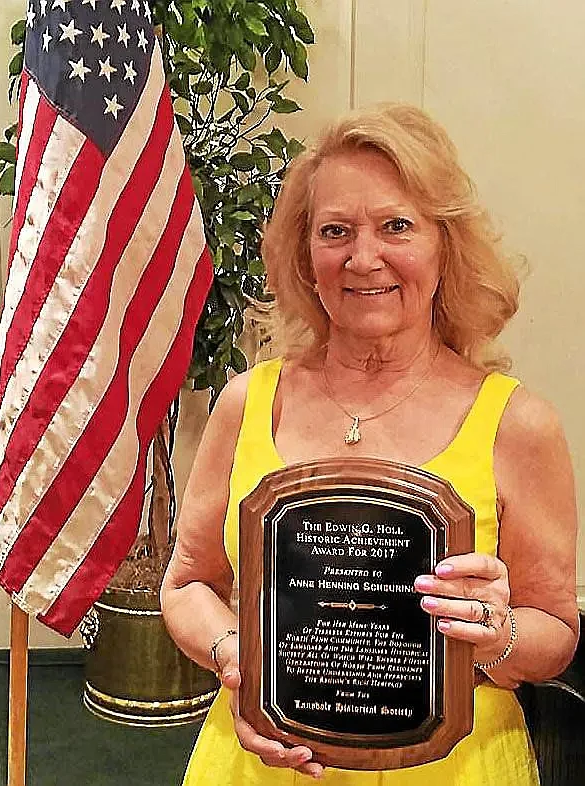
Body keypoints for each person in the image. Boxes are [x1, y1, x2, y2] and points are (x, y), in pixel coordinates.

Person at [160, 103, 579, 785]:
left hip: (451, 769)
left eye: (395, 226)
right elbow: (186, 583)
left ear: (444, 244)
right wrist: (237, 658)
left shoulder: (517, 424)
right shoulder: (247, 403)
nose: (363, 257)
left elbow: (553, 637)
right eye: (334, 231)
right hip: (260, 763)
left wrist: (492, 634)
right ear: (305, 255)